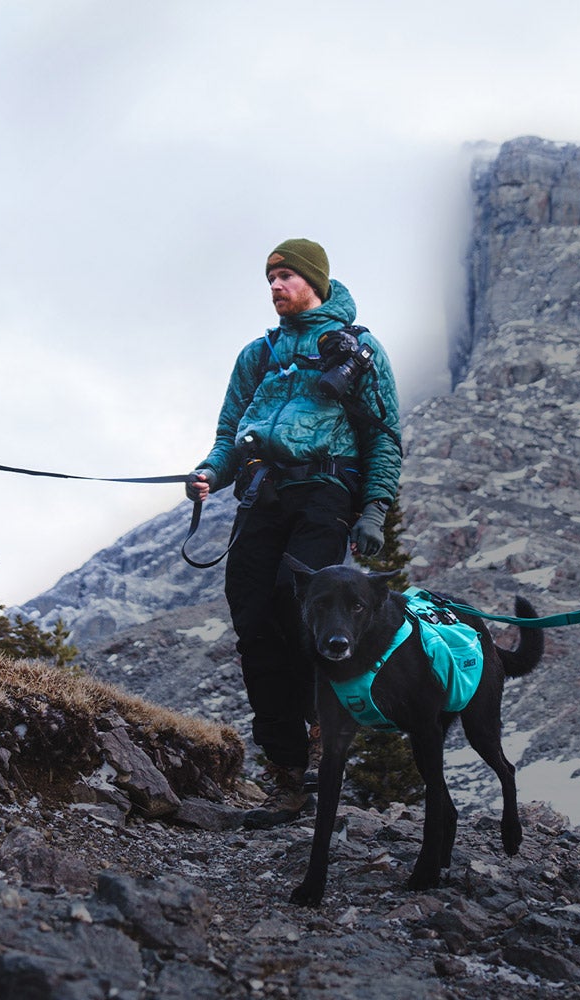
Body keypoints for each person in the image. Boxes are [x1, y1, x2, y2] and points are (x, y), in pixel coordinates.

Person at [189, 238, 403, 829]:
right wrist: (211, 471)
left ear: (314, 280)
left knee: (298, 602)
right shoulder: (256, 355)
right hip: (262, 493)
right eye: (270, 278)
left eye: (285, 276)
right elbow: (230, 431)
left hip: (325, 493)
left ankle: (319, 744)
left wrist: (373, 511)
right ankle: (285, 774)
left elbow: (384, 436)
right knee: (252, 616)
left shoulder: (357, 349)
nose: (275, 286)